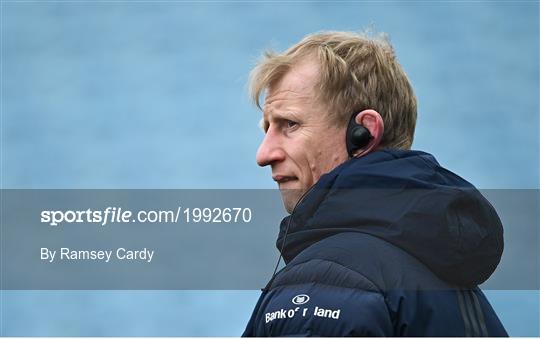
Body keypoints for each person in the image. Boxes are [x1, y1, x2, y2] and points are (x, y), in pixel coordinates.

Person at [242, 31, 508, 337]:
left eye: (290, 124)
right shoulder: (445, 277)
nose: (264, 154)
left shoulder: (326, 284)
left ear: (364, 133)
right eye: (267, 128)